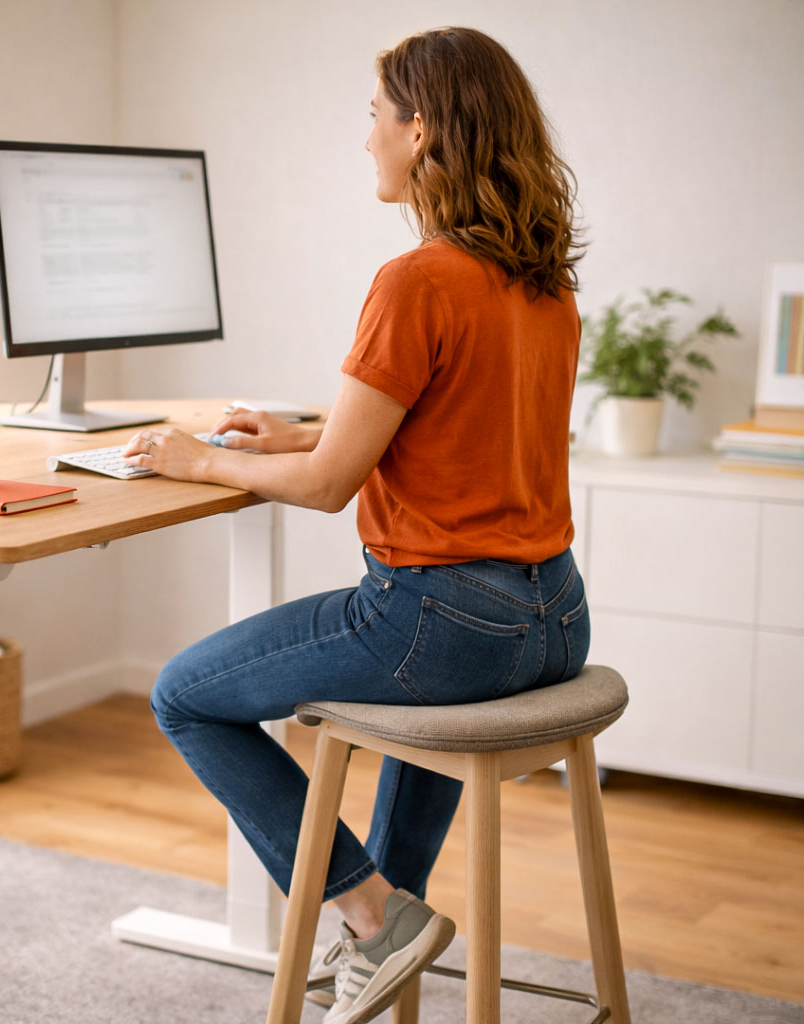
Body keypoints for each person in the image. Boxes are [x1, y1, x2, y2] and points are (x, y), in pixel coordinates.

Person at [122, 26, 588, 1024]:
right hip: (554, 619)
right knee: (396, 699)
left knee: (184, 696)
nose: (365, 138)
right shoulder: (544, 287)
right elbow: (445, 421)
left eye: (373, 117)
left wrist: (196, 455)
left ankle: (371, 916)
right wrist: (294, 428)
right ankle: (383, 933)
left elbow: (335, 484)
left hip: (446, 624)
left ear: (421, 131)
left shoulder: (415, 280)